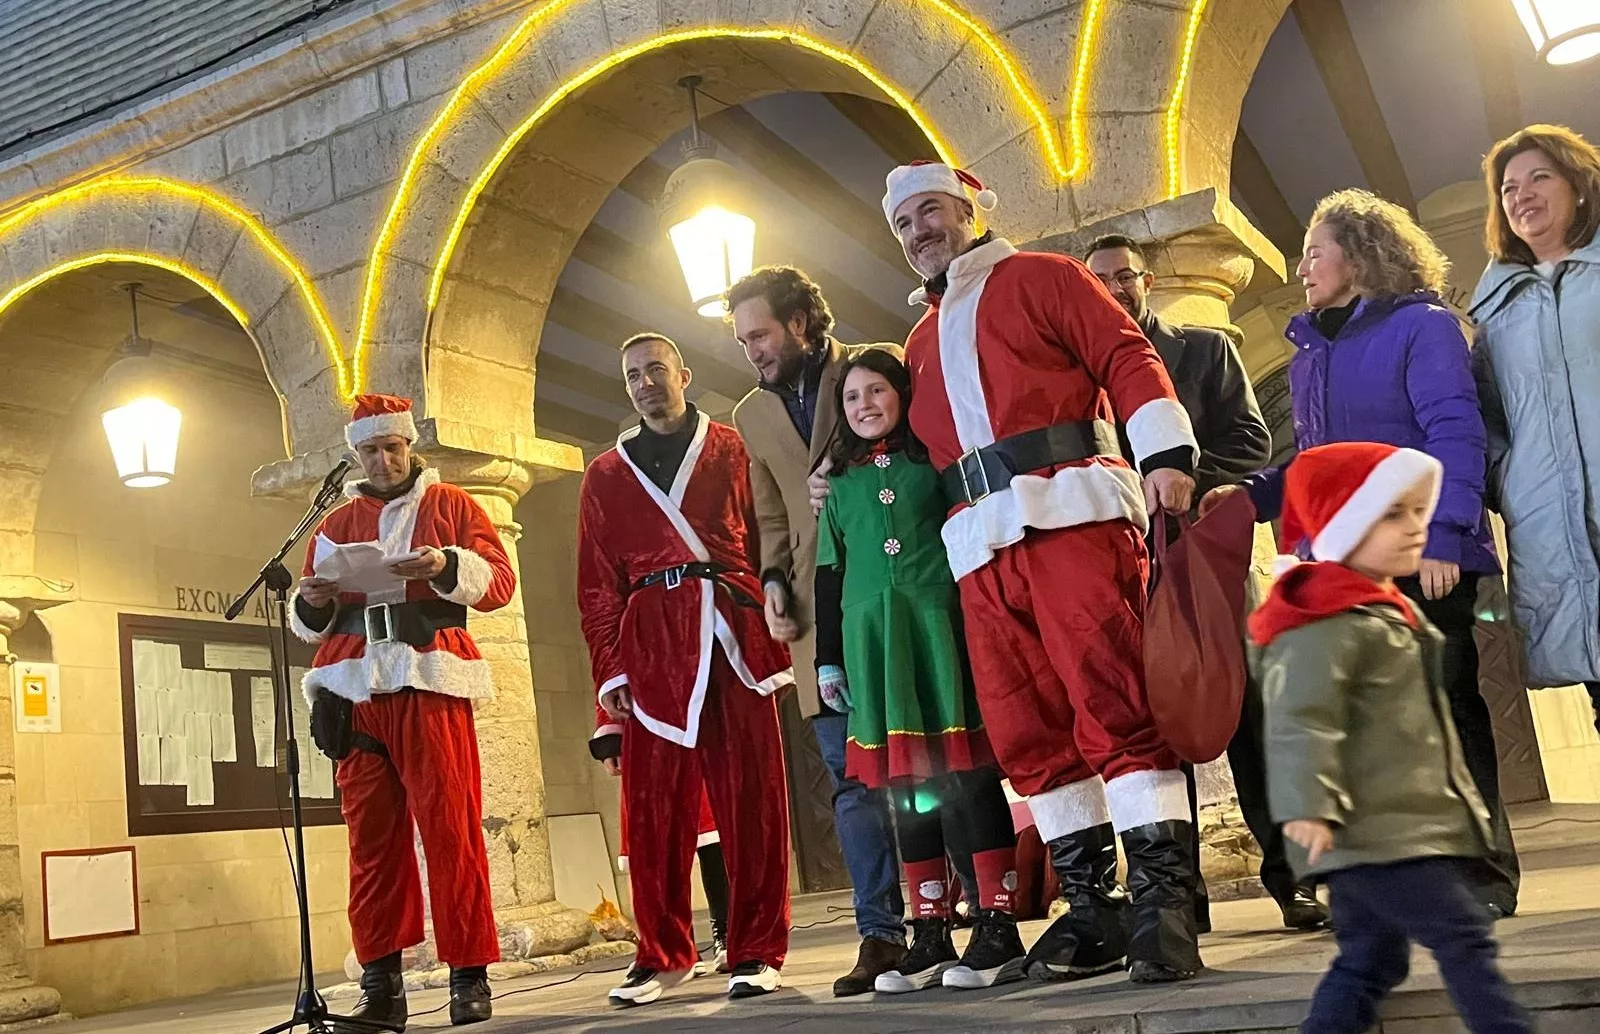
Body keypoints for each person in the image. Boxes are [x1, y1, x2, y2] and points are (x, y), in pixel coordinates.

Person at [874, 160, 1205, 984]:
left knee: (1115, 700)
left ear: (969, 211)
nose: (919, 231)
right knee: (1028, 732)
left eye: (931, 212)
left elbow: (1125, 353)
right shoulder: (915, 340)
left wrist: (1165, 452)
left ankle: (1164, 901)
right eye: (904, 222)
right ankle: (1094, 907)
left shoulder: (1044, 278)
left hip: (1075, 516)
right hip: (980, 547)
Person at [1204, 189, 1520, 918]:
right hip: (1344, 571)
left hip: (1421, 550)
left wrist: (1444, 533)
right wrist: (1248, 496)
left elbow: (1453, 431)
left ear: (1363, 252)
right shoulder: (1312, 351)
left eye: (1316, 250)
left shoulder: (1424, 326)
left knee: (1446, 714)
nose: (1303, 265)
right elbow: (1318, 466)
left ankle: (1482, 875)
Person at [1084, 235, 1326, 933]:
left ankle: (1293, 882)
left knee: (1250, 719)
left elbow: (1253, 443)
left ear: (1147, 281)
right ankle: (1179, 898)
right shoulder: (1082, 374)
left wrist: (1178, 477)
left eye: (1124, 277)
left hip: (1212, 563)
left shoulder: (1205, 349)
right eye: (1100, 281)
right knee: (1160, 728)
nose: (1114, 289)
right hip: (1125, 572)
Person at [1249, 441, 1531, 1034]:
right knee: (1465, 940)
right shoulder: (1323, 625)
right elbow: (1302, 719)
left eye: (1415, 511)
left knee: (1370, 960)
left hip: (1386, 830)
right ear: (1342, 526)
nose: (1414, 527)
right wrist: (1309, 807)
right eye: (1391, 513)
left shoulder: (1379, 611)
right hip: (1376, 833)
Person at [576, 333, 793, 1007]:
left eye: (655, 370)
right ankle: (663, 953)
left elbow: (767, 538)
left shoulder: (731, 448)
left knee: (752, 801)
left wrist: (774, 613)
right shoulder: (606, 475)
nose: (645, 382)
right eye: (633, 374)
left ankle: (756, 949)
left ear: (683, 375)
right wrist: (610, 671)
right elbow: (596, 584)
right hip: (651, 646)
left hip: (730, 628)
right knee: (653, 815)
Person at [291, 393, 514, 1030]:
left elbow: (497, 583)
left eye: (393, 447)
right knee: (371, 842)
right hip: (354, 685)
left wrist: (446, 563)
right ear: (355, 453)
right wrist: (312, 599)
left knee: (451, 829)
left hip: (428, 675)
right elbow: (311, 622)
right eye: (370, 450)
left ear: (409, 446)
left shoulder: (452, 505)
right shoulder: (333, 522)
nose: (384, 460)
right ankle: (381, 983)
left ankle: (469, 975)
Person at [725, 267, 913, 996]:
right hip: (813, 615)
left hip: (893, 584)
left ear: (802, 320)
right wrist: (771, 584)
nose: (755, 353)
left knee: (934, 760)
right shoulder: (750, 413)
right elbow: (769, 515)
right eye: (743, 342)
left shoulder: (872, 368)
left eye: (763, 335)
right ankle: (880, 933)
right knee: (848, 777)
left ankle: (960, 915)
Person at [812, 349, 1023, 992]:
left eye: (877, 390)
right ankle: (929, 929)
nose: (865, 405)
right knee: (905, 785)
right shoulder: (837, 483)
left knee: (967, 774)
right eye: (852, 397)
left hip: (940, 631)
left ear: (903, 395)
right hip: (872, 645)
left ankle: (999, 922)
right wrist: (827, 659)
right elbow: (828, 572)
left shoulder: (934, 462)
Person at [1470, 124, 1600, 737]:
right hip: (1551, 517)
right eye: (1507, 188)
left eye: (1539, 177)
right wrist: (1511, 479)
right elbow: (1487, 414)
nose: (1520, 195)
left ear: (1578, 183)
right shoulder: (1494, 309)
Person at [589, 708, 730, 974]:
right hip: (643, 730)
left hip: (694, 724)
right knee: (661, 847)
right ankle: (681, 944)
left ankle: (725, 933)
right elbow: (610, 672)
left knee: (710, 834)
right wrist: (611, 739)